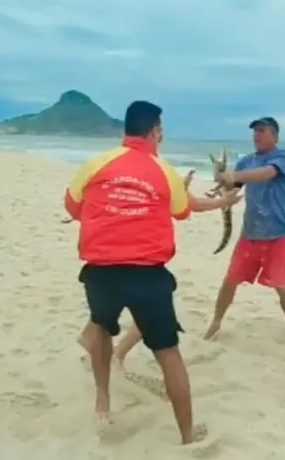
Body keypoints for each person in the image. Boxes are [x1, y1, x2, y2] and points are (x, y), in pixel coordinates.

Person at [63, 100, 241, 444]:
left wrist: (110, 217)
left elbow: (73, 205)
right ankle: (187, 436)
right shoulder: (164, 172)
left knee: (101, 331)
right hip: (148, 274)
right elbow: (183, 208)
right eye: (162, 130)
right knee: (168, 353)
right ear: (155, 131)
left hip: (101, 271)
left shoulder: (97, 164)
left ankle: (103, 400)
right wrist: (222, 203)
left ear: (125, 129)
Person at [203, 117, 285, 341]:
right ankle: (216, 322)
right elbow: (232, 186)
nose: (256, 135)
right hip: (250, 234)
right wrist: (221, 178)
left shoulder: (284, 157)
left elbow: (266, 173)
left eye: (262, 130)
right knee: (230, 280)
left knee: (282, 285)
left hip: (279, 235)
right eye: (255, 131)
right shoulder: (246, 162)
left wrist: (234, 176)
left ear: (275, 135)